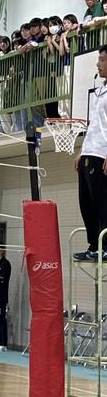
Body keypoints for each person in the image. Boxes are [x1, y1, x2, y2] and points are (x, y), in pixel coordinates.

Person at [73, 45, 107, 261]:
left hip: (102, 153)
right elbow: (95, 124)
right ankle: (94, 245)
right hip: (89, 151)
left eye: (102, 59)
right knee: (86, 203)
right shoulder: (100, 90)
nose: (98, 63)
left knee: (102, 202)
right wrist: (82, 149)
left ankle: (106, 246)